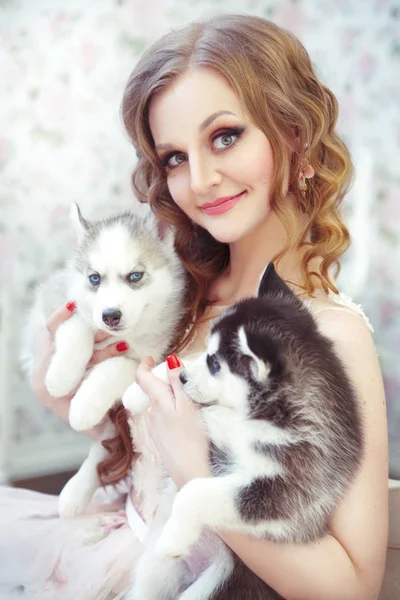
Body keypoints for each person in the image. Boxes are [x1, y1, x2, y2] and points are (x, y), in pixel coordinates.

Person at [0, 14, 389, 600]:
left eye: (225, 136)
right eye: (175, 158)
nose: (201, 179)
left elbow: (354, 586)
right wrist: (63, 396)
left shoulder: (332, 334)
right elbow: (140, 448)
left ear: (297, 139)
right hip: (118, 552)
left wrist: (197, 474)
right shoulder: (182, 290)